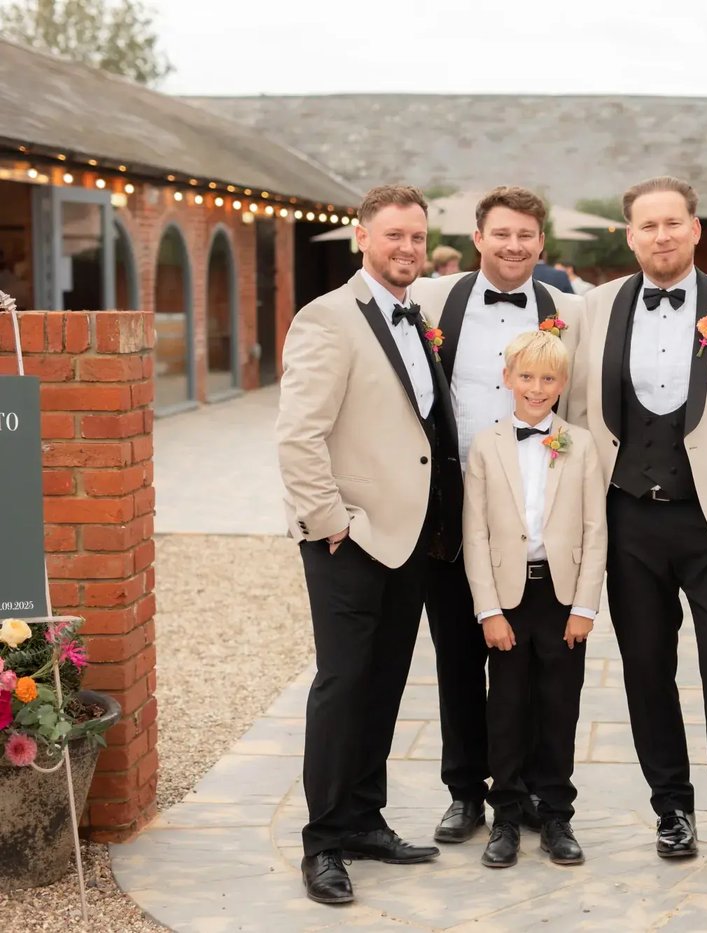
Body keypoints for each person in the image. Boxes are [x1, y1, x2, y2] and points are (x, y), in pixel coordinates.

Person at [568, 176, 707, 881]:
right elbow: (577, 410)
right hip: (627, 517)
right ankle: (672, 807)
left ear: (695, 229)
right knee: (646, 669)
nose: (661, 235)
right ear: (630, 236)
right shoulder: (595, 307)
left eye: (672, 223)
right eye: (647, 225)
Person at [277, 184, 459, 905]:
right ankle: (323, 841)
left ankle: (363, 819)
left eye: (416, 237)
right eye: (394, 236)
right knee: (343, 684)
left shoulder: (417, 318)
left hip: (409, 537)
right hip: (347, 539)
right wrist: (331, 522)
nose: (407, 248)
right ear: (363, 237)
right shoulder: (327, 318)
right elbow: (299, 435)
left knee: (384, 683)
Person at [413, 186, 584, 846]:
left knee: (534, 666)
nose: (514, 246)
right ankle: (465, 791)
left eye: (526, 235)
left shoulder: (570, 310)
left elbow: (581, 405)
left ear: (542, 243)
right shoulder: (433, 300)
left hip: (536, 509)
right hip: (452, 507)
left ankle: (536, 789)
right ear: (479, 237)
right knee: (459, 655)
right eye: (502, 233)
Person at [465, 330, 606, 869]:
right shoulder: (486, 444)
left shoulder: (580, 443)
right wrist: (488, 610)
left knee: (559, 707)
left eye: (548, 379)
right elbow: (475, 532)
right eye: (526, 376)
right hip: (508, 599)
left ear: (562, 383)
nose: (537, 388)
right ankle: (505, 814)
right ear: (508, 379)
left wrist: (585, 607)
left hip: (561, 597)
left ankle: (556, 815)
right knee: (505, 707)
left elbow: (595, 529)